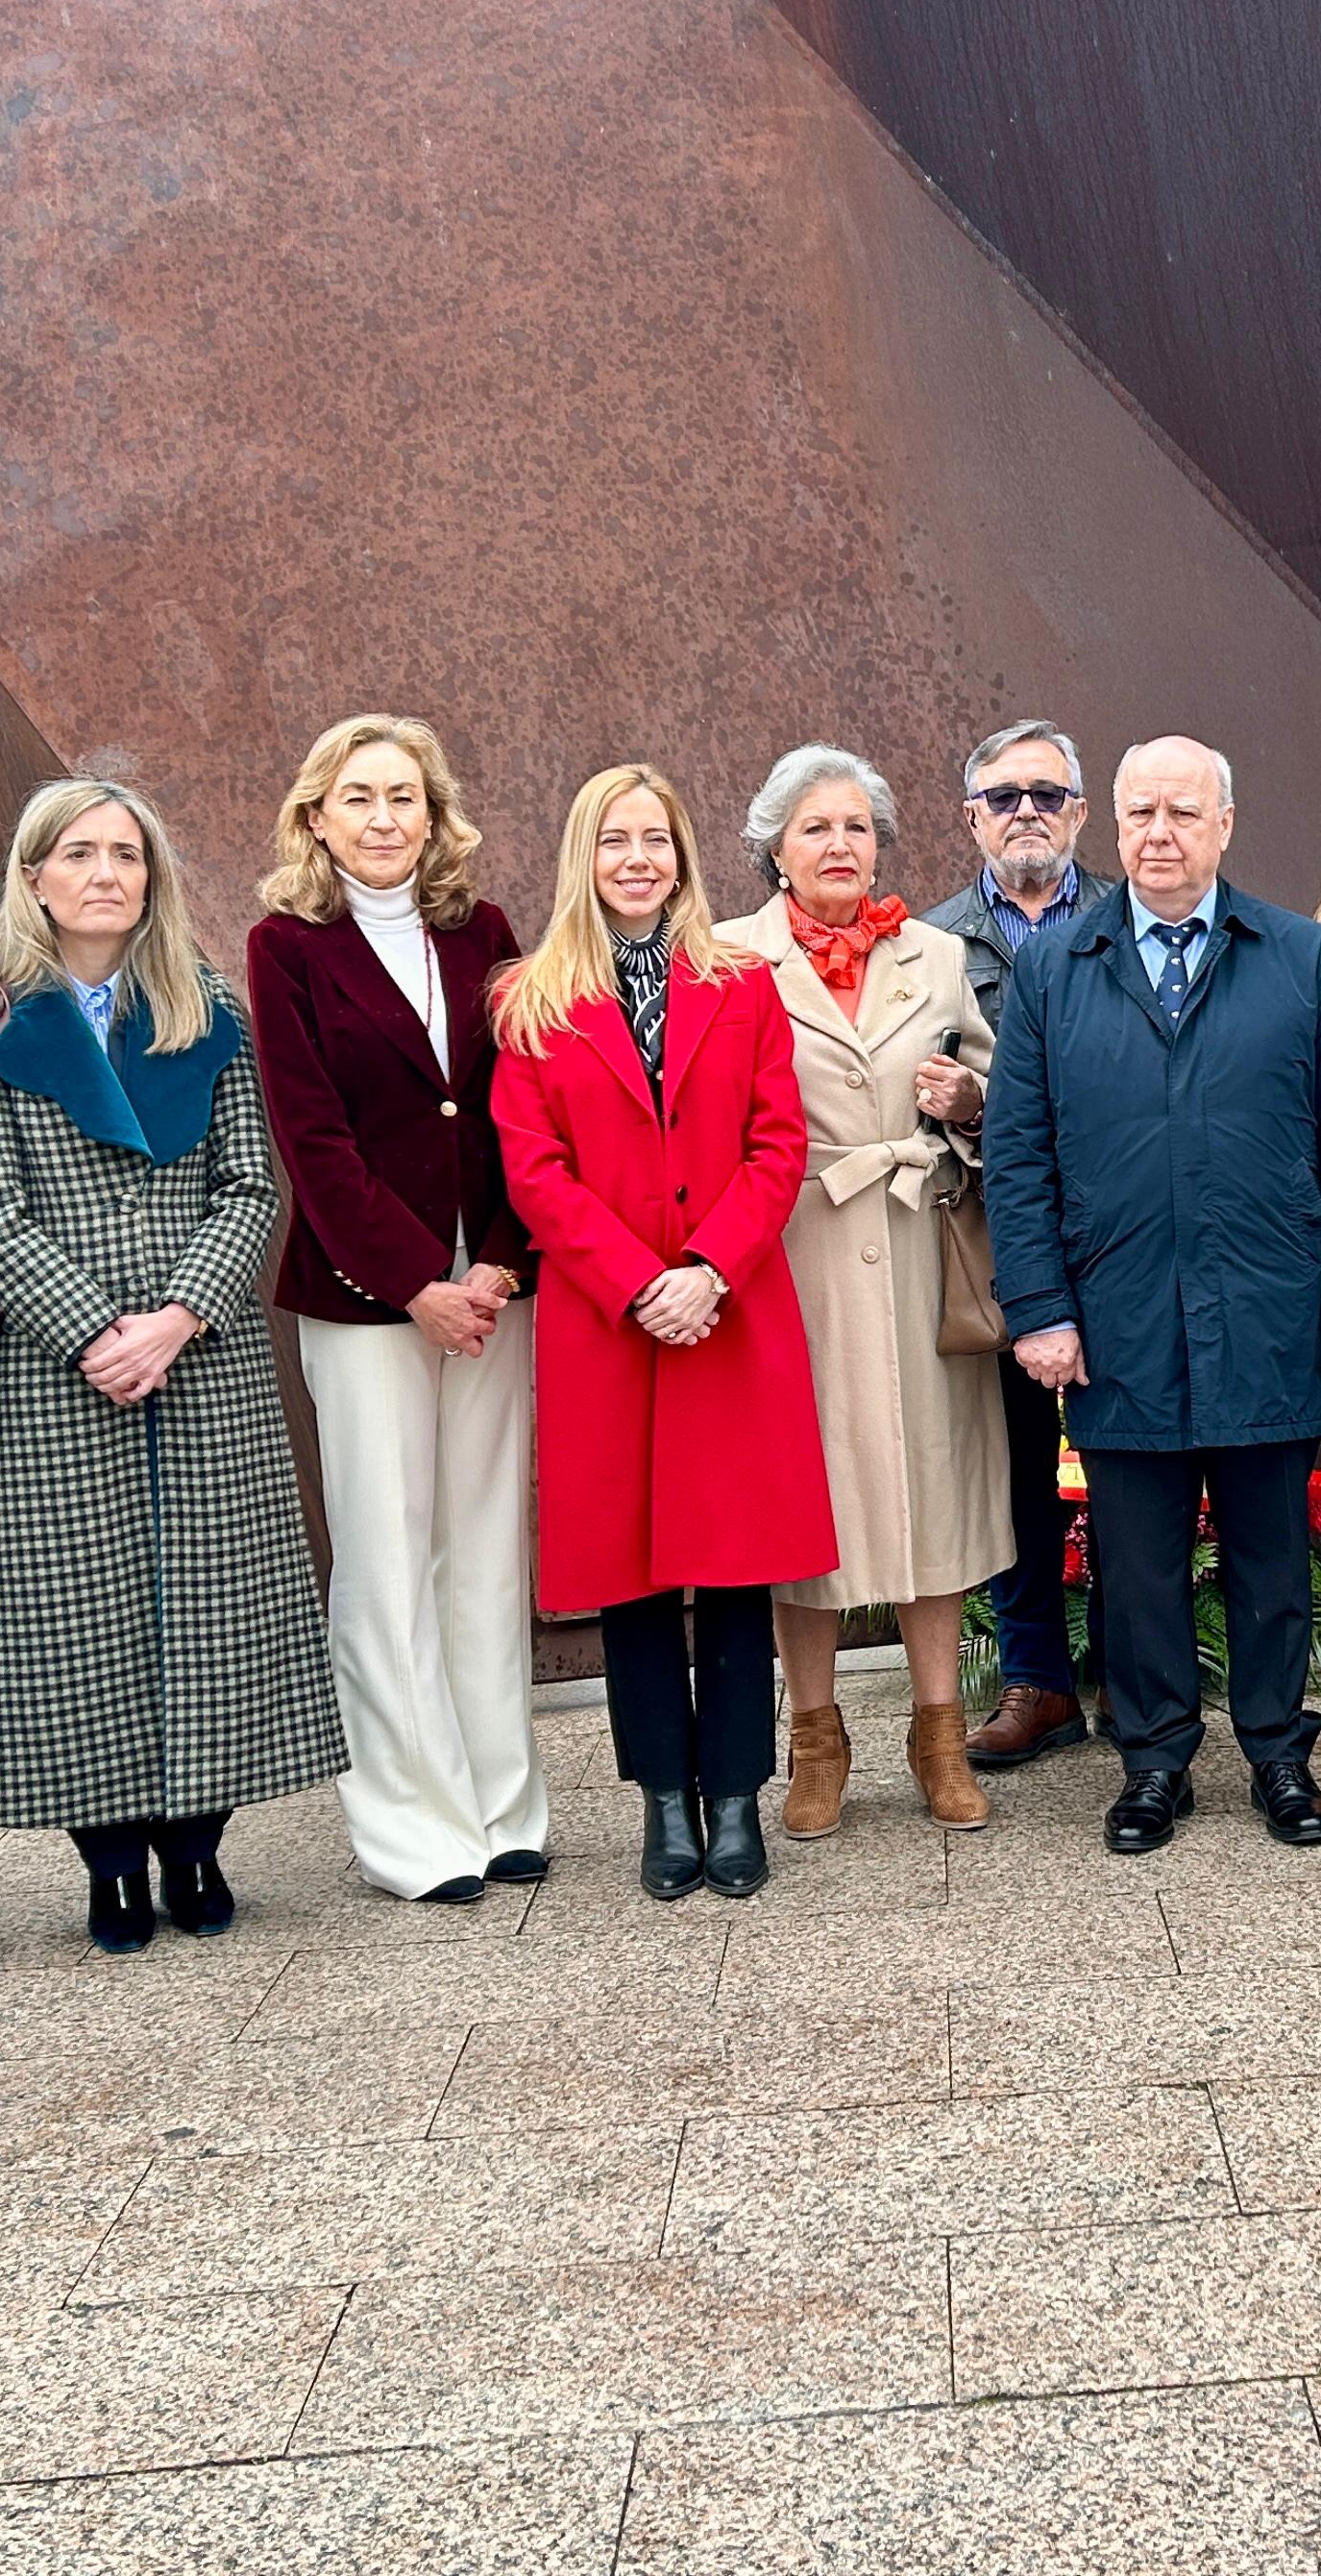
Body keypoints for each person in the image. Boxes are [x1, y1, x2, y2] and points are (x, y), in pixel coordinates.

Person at [0, 777, 343, 1953]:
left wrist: (177, 1315)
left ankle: (197, 1845)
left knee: (221, 1601)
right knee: (76, 1615)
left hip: (197, 1354)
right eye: (79, 853)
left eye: (127, 854)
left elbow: (252, 1184)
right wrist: (91, 1329)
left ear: (152, 880)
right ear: (33, 876)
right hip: (61, 1365)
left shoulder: (203, 1007)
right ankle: (109, 1862)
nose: (105, 873)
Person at [984, 734, 1321, 1855]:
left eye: (1181, 813)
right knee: (1136, 1565)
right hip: (1116, 1321)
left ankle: (1277, 1755)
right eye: (1138, 815)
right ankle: (1155, 1760)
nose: (1158, 834)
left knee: (1270, 1554)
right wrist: (1037, 1308)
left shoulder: (1299, 960)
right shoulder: (1054, 968)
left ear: (1224, 825)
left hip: (1267, 1308)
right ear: (1112, 828)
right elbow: (1018, 1159)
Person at [492, 765, 836, 1901]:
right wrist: (637, 1281)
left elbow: (775, 1143)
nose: (637, 860)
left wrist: (705, 1271)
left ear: (683, 857)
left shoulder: (739, 983)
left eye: (657, 840)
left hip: (725, 1313)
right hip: (608, 1322)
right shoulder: (530, 999)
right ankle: (663, 1808)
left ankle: (734, 1798)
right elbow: (533, 1172)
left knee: (732, 1565)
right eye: (614, 841)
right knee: (631, 1575)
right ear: (581, 859)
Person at [250, 716, 546, 1903]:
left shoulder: (484, 933)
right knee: (385, 1558)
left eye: (404, 798)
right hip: (370, 1300)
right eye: (358, 798)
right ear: (316, 817)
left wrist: (502, 1264)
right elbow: (311, 1142)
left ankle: (501, 1805)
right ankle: (414, 1833)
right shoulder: (285, 948)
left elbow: (527, 1100)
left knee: (483, 1548)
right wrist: (417, 1281)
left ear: (436, 816)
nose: (383, 820)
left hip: (492, 1291)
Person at [722, 746, 1010, 1838]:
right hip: (788, 1249)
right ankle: (815, 1739)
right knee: (805, 1502)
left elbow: (998, 1091)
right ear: (774, 850)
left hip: (917, 1242)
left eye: (855, 827)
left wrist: (970, 1099)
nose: (838, 845)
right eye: (814, 829)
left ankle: (938, 1734)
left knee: (932, 1491)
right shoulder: (728, 957)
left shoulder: (934, 953)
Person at [922, 723, 1123, 1774]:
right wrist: (956, 1109)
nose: (1027, 812)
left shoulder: (1135, 920)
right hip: (994, 1253)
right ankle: (1037, 1681)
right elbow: (901, 1103)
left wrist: (984, 1100)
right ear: (971, 819)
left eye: (1048, 793)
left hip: (1130, 1242)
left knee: (1137, 1462)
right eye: (1003, 797)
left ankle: (1138, 1675)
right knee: (1012, 1477)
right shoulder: (929, 945)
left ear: (1082, 812)